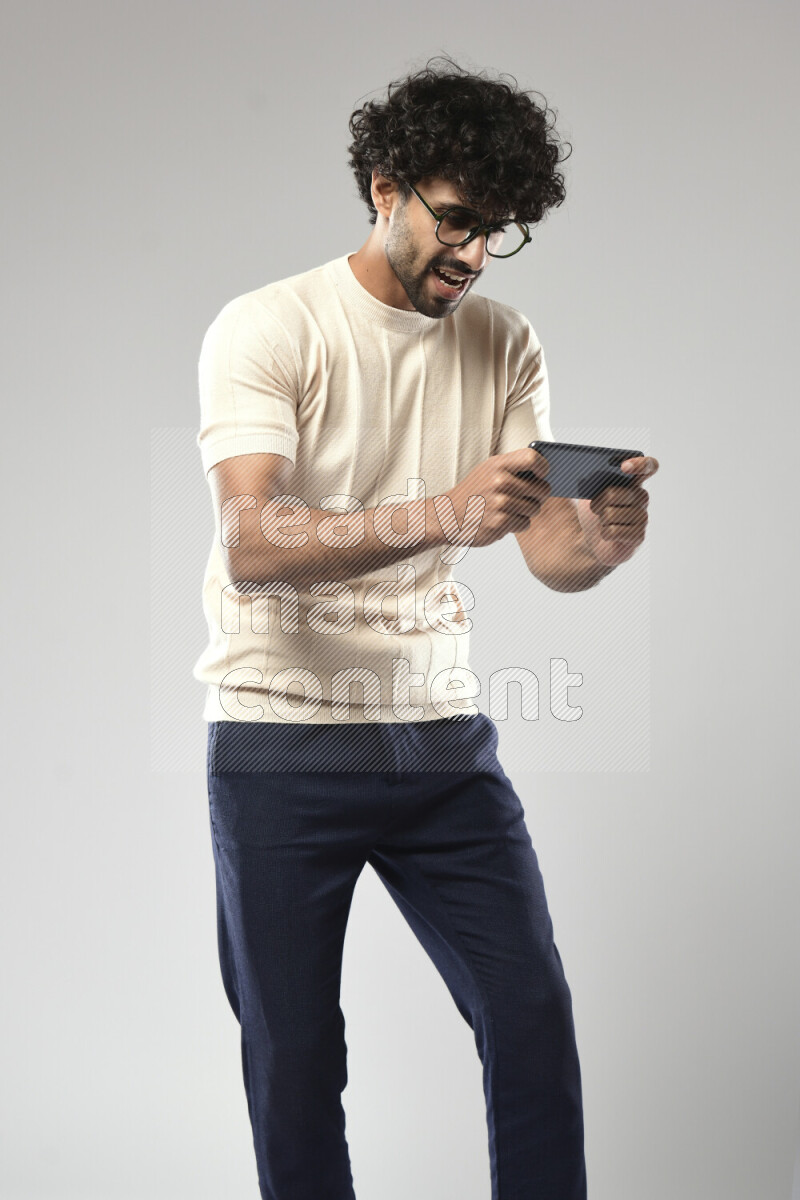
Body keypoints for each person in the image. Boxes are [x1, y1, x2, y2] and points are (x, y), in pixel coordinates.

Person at [194, 54, 657, 1200]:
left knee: (529, 1013)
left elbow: (538, 548)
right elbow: (253, 542)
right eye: (454, 220)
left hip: (439, 737)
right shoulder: (269, 328)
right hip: (280, 737)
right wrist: (444, 511)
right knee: (295, 1059)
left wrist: (594, 544)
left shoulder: (505, 340)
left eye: (497, 231)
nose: (472, 254)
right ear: (382, 186)